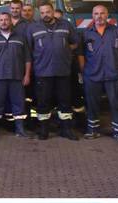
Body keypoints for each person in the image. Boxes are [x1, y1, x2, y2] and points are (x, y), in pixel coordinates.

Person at [27, 2, 79, 140]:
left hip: (63, 70)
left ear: (53, 11)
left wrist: (65, 51)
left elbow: (75, 42)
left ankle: (66, 129)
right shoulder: (33, 28)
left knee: (65, 101)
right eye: (42, 12)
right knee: (43, 101)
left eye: (48, 12)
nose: (45, 15)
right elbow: (28, 49)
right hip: (43, 72)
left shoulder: (65, 25)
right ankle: (44, 130)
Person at [79, 5, 118, 142]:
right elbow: (80, 54)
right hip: (92, 75)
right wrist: (84, 71)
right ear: (92, 15)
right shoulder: (86, 33)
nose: (99, 16)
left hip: (113, 74)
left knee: (116, 103)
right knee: (92, 103)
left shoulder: (117, 31)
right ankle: (93, 130)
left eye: (102, 13)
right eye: (96, 13)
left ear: (107, 15)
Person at [0, 12, 32, 137]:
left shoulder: (20, 38)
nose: (4, 22)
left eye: (6, 20)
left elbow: (27, 59)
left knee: (19, 103)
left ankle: (20, 129)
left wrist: (27, 75)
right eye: (1, 20)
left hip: (17, 77)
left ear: (10, 21)